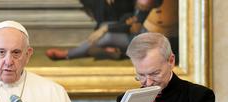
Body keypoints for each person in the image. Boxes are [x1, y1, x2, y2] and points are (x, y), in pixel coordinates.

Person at [46, 0, 178, 63]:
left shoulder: (150, 9)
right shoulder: (140, 6)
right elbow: (127, 21)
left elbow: (130, 26)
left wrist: (105, 29)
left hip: (142, 42)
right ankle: (113, 51)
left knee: (106, 36)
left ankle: (67, 54)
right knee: (105, 25)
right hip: (134, 36)